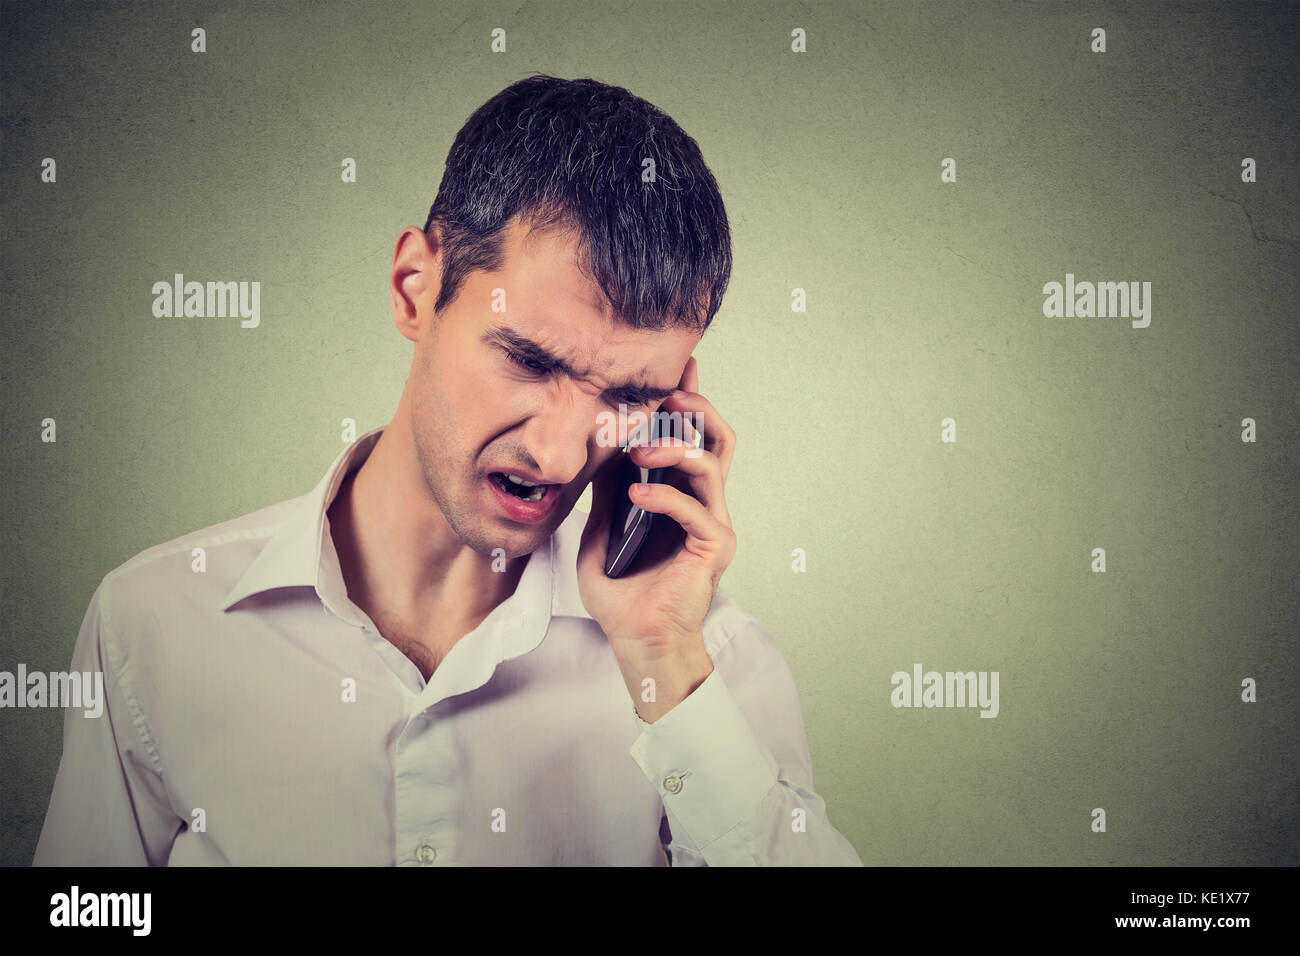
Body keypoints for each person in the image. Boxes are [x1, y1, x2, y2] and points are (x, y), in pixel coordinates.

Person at [34, 74, 863, 866]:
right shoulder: (154, 621)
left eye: (630, 396)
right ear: (413, 288)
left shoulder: (706, 660)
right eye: (529, 361)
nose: (561, 453)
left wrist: (663, 664)